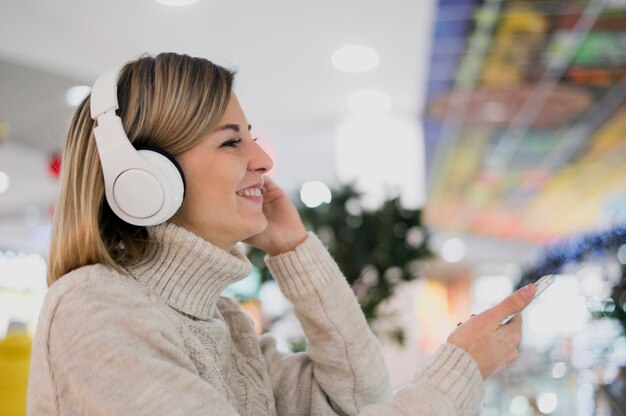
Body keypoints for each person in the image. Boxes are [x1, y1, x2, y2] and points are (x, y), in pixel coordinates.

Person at [27, 52, 536, 416]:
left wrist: (294, 250)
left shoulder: (222, 322)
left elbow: (358, 399)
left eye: (251, 137)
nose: (263, 160)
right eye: (231, 142)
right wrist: (458, 373)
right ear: (144, 177)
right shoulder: (95, 309)